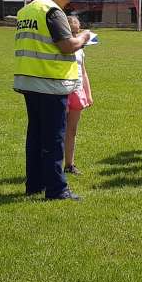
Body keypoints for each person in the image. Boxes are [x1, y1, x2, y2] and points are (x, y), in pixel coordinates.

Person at [14, 0, 91, 201]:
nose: (69, 1)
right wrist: (85, 37)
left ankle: (34, 184)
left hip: (28, 79)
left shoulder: (27, 10)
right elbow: (67, 46)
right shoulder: (52, 11)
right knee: (54, 138)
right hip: (50, 82)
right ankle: (57, 189)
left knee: (35, 136)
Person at [64, 16, 93, 175]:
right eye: (71, 32)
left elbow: (83, 71)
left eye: (77, 32)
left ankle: (69, 164)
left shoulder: (80, 49)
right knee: (58, 130)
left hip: (77, 91)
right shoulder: (61, 46)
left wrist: (88, 93)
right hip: (62, 90)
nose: (75, 36)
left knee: (72, 130)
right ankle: (51, 165)